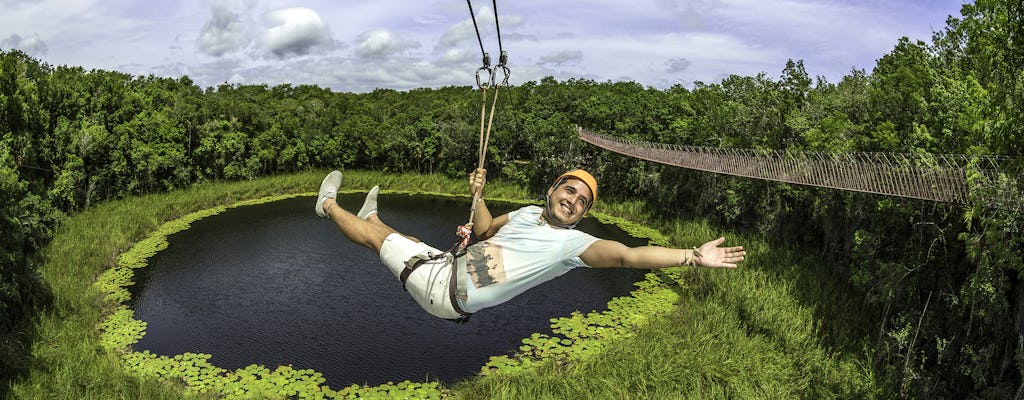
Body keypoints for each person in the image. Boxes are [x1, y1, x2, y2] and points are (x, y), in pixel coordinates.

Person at [315, 168, 745, 322]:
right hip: (449, 270)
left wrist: (692, 256)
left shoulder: (571, 246)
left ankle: (328, 205)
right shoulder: (524, 214)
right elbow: (484, 231)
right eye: (569, 191)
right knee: (405, 241)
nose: (572, 201)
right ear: (553, 189)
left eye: (581, 202)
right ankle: (371, 215)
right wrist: (478, 197)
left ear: (582, 214)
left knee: (379, 241)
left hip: (443, 290)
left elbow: (631, 256)